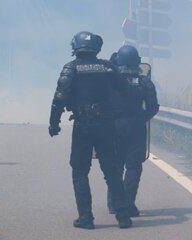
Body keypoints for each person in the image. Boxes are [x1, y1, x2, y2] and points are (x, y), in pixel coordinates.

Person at [48, 31, 132, 229]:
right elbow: (124, 89)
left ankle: (86, 218)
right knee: (111, 170)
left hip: (83, 126)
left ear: (75, 48)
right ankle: (123, 216)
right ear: (96, 47)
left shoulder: (71, 68)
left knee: (79, 171)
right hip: (106, 125)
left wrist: (54, 124)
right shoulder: (107, 67)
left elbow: (59, 98)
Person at [107, 45, 159, 217]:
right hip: (136, 128)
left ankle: (114, 204)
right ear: (137, 62)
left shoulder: (110, 81)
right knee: (133, 167)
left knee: (115, 167)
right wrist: (141, 118)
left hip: (114, 127)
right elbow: (152, 107)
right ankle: (128, 204)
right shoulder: (145, 82)